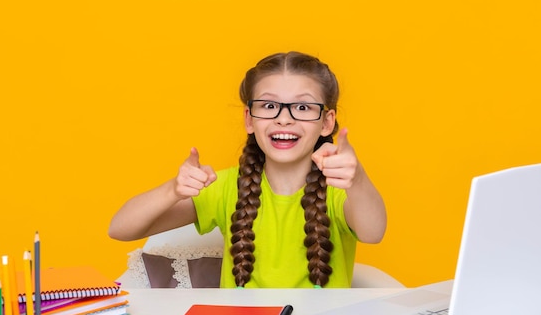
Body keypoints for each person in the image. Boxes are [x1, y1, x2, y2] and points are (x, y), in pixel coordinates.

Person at [109, 51, 387, 288]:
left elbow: (373, 232)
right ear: (249, 119)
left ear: (326, 123)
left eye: (302, 107)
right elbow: (120, 229)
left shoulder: (339, 190)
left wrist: (358, 178)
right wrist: (173, 190)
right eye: (269, 105)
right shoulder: (226, 186)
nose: (284, 119)